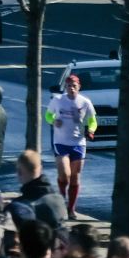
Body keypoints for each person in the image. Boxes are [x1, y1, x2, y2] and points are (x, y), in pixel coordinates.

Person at [44, 71, 97, 216]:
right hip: (61, 142)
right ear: (65, 87)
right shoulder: (57, 100)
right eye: (68, 86)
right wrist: (54, 120)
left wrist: (91, 130)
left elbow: (93, 120)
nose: (71, 88)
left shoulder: (85, 102)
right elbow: (48, 115)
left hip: (79, 143)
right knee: (64, 175)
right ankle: (62, 202)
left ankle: (71, 209)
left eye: (74, 86)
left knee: (75, 177)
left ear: (79, 87)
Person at [9, 149, 68, 232]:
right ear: (41, 169)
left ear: (19, 172)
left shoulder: (19, 206)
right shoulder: (59, 199)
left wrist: (3, 209)